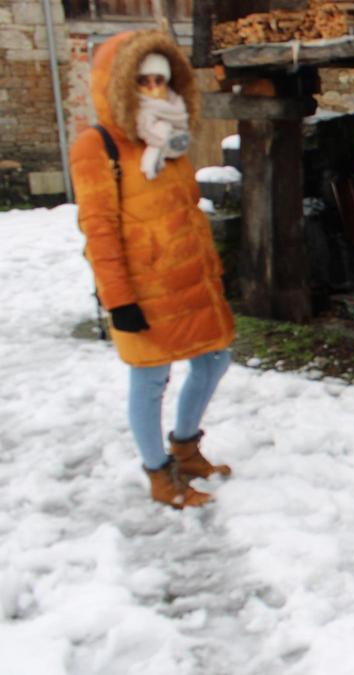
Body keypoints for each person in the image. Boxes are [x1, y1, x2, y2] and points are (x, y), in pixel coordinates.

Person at [70, 30, 236, 509]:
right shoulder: (95, 146)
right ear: (119, 84)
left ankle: (184, 448)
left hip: (189, 282)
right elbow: (98, 231)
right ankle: (160, 475)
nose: (155, 89)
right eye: (143, 80)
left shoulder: (169, 134)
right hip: (141, 289)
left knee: (214, 358)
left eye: (163, 80)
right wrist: (118, 301)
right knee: (149, 378)